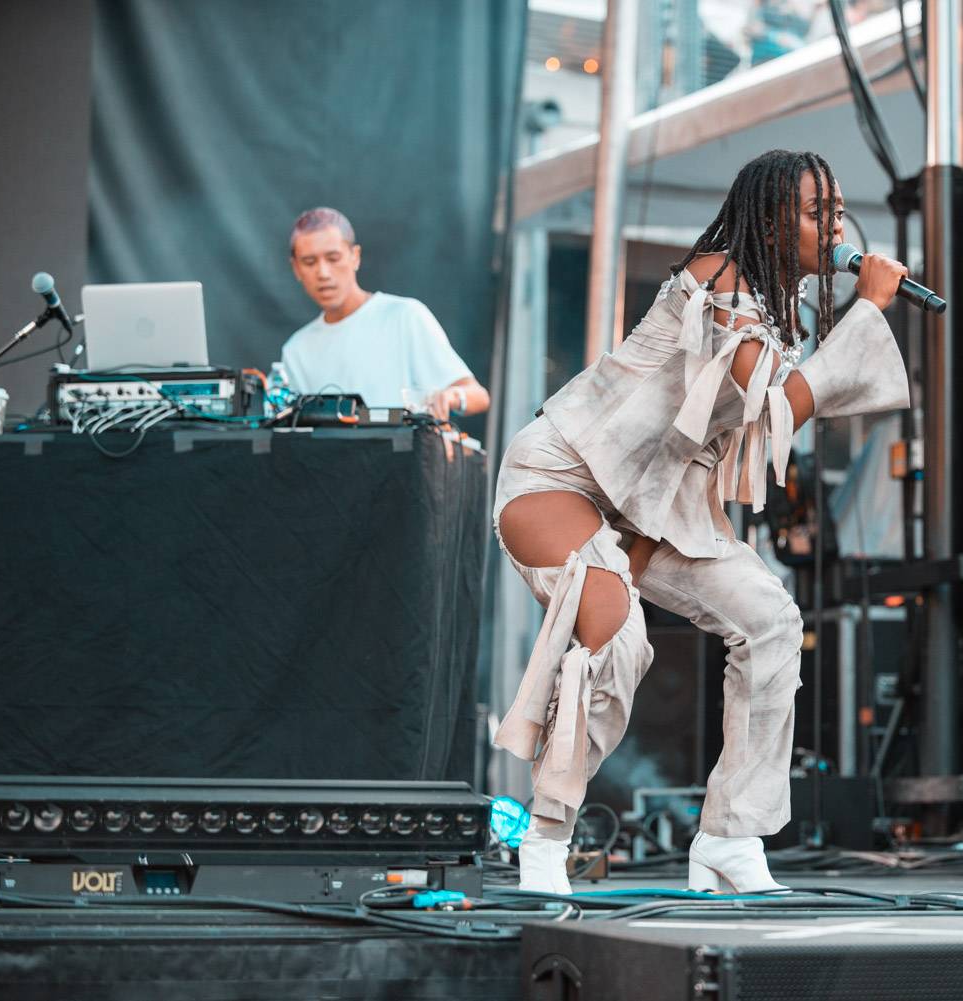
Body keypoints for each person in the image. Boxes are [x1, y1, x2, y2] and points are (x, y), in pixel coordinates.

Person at [492, 149, 910, 894]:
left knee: (771, 619)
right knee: (615, 633)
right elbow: (782, 405)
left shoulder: (776, 309)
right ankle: (546, 840)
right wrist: (870, 309)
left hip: (654, 502)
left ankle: (729, 834)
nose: (835, 227)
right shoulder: (718, 280)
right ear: (773, 218)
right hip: (561, 476)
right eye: (818, 213)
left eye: (839, 212)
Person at [279, 207, 489, 417]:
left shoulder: (404, 316)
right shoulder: (296, 350)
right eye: (309, 262)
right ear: (296, 268)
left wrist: (451, 396)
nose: (323, 273)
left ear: (355, 257)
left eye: (333, 258)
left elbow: (478, 396)